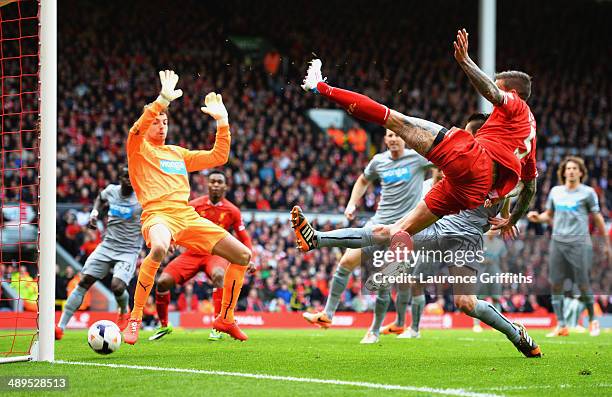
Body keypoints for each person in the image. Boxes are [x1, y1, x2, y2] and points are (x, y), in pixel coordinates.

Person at [294, 28, 537, 251]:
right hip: (473, 191)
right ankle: (316, 239)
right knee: (393, 231)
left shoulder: (515, 104)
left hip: (472, 160)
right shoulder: (531, 135)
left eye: (502, 88)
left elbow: (492, 92)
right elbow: (529, 188)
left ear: (514, 93)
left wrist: (465, 62)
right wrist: (511, 220)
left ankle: (319, 87)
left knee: (394, 120)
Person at [123, 70, 251, 344]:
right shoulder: (138, 148)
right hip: (157, 215)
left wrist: (223, 122)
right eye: (156, 121)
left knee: (242, 255)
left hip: (186, 216)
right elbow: (136, 129)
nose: (161, 125)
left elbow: (219, 156)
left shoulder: (177, 153)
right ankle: (134, 318)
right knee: (158, 248)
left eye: (165, 121)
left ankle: (225, 319)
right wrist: (160, 102)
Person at [303, 129, 429, 341]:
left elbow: (444, 165)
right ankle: (327, 314)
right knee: (346, 262)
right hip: (377, 224)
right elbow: (362, 181)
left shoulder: (418, 159)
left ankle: (374, 331)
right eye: (389, 135)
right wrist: (352, 203)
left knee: (384, 280)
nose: (394, 138)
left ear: (405, 138)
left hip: (403, 229)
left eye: (398, 135)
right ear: (385, 139)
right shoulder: (378, 161)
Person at [149, 170, 255, 341]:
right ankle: (163, 325)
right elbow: (176, 223)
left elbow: (244, 237)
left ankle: (218, 325)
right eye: (212, 181)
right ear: (207, 184)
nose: (215, 185)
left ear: (225, 186)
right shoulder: (194, 205)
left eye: (219, 182)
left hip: (216, 254)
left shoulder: (232, 211)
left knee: (219, 275)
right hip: (192, 253)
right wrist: (171, 239)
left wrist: (250, 257)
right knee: (162, 282)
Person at [55, 166, 142, 340]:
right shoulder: (111, 191)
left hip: (128, 251)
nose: (129, 180)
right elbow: (100, 198)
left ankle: (124, 311)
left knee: (117, 286)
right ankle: (60, 327)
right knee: (84, 281)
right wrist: (94, 213)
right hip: (107, 245)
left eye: (132, 177)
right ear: (120, 178)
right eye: (126, 176)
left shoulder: (142, 198)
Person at [528, 156, 610, 337]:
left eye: (575, 168)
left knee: (583, 284)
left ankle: (593, 321)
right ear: (563, 172)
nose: (571, 171)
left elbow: (597, 219)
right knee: (556, 284)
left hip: (580, 243)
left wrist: (605, 243)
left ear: (581, 172)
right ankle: (562, 325)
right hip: (558, 242)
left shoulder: (588, 193)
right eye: (568, 168)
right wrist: (538, 217)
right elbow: (549, 215)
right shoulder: (556, 192)